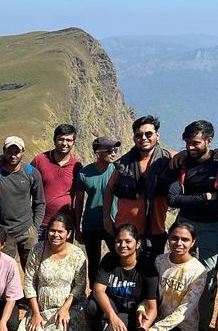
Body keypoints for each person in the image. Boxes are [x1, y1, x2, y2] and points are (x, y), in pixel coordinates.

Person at [168, 120, 218, 331]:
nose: (190, 147)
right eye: (187, 143)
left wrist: (203, 198)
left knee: (207, 282)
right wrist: (204, 197)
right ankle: (174, 323)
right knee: (177, 274)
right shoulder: (183, 162)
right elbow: (172, 198)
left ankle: (199, 330)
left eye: (195, 143)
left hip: (211, 228)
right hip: (184, 226)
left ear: (209, 141)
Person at [130, 221, 207, 331]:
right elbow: (151, 293)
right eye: (174, 238)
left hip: (182, 328)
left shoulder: (198, 272)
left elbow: (182, 313)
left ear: (193, 243)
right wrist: (141, 308)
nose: (178, 243)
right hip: (156, 319)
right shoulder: (160, 261)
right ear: (168, 239)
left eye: (185, 240)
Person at [15, 213, 90, 331]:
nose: (55, 235)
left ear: (68, 234)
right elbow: (29, 282)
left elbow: (80, 286)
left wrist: (65, 308)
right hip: (41, 309)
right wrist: (36, 313)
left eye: (60, 231)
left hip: (69, 309)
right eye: (52, 230)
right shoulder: (37, 250)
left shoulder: (77, 254)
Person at [83, 223, 158, 331]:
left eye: (128, 241)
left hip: (132, 313)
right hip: (113, 307)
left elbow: (152, 307)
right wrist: (112, 315)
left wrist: (142, 330)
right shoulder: (110, 259)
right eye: (118, 241)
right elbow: (98, 290)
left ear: (138, 243)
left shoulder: (147, 266)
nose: (122, 245)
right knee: (92, 305)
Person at [103, 116, 171, 260]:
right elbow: (109, 189)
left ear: (157, 136)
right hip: (126, 233)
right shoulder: (122, 164)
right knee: (124, 275)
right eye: (139, 135)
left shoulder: (168, 162)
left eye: (148, 134)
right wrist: (106, 219)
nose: (144, 138)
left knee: (151, 276)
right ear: (134, 138)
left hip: (155, 232)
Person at [0, 136, 45, 271]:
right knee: (2, 271)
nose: (13, 155)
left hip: (27, 231)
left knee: (32, 270)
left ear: (23, 152)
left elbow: (39, 202)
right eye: (9, 152)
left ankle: (30, 293)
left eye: (17, 152)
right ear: (4, 152)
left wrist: (34, 228)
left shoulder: (31, 172)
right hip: (2, 232)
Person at [75, 136, 120, 287]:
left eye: (114, 150)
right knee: (93, 262)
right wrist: (77, 229)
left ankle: (113, 291)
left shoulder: (117, 170)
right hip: (90, 224)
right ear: (97, 153)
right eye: (109, 150)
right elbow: (79, 202)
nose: (113, 153)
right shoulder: (84, 174)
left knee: (118, 257)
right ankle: (94, 294)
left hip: (113, 223)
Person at [31, 124, 82, 240]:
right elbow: (24, 172)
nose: (64, 143)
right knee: (39, 256)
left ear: (73, 142)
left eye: (69, 140)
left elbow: (79, 200)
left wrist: (78, 227)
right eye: (61, 139)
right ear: (54, 140)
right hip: (40, 223)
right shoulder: (40, 160)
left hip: (65, 225)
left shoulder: (77, 166)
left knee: (62, 257)